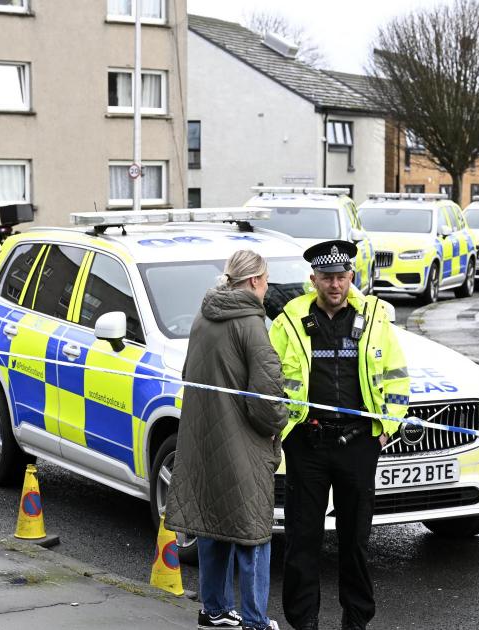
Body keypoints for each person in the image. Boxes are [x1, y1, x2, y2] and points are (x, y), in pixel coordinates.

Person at [268, 240, 411, 630]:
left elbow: (398, 378)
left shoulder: (375, 318)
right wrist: (283, 428)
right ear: (313, 280)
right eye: (327, 278)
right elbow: (270, 379)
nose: (335, 285)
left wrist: (387, 430)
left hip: (359, 443)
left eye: (341, 277)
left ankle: (357, 621)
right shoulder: (291, 321)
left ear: (351, 277)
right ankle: (304, 622)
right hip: (307, 443)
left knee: (356, 541)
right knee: (303, 538)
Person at [165, 250, 289, 630]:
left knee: (211, 525)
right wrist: (279, 424)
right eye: (266, 280)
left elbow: (190, 372)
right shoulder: (251, 324)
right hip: (241, 445)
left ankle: (214, 609)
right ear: (253, 282)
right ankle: (254, 619)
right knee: (252, 531)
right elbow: (266, 400)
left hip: (203, 438)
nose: (267, 289)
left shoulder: (204, 316)